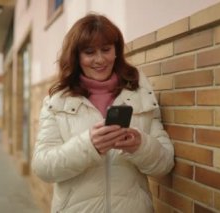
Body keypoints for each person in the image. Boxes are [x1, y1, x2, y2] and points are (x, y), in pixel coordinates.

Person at [32, 13, 174, 213]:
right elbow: (43, 167)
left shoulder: (141, 94)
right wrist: (88, 146)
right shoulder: (56, 102)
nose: (99, 59)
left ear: (116, 51)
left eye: (106, 49)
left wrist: (140, 145)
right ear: (77, 57)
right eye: (89, 52)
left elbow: (165, 164)